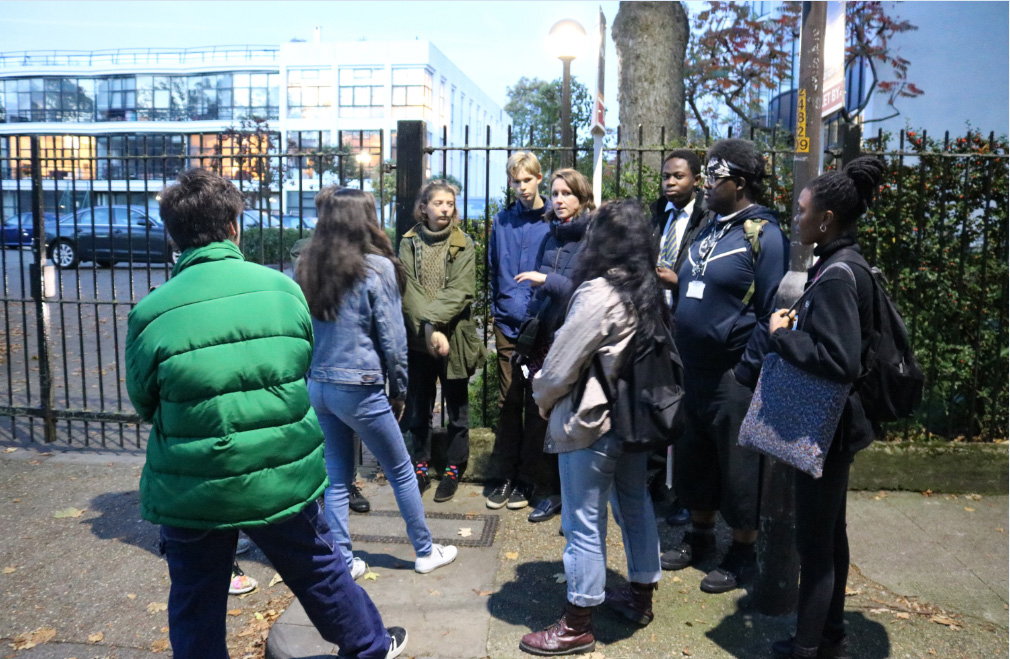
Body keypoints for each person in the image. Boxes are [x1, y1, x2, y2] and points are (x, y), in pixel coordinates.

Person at [126, 168, 407, 659]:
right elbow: (298, 363)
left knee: (195, 599)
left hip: (193, 482)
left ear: (172, 235)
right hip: (280, 469)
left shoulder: (152, 312)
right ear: (235, 225)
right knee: (318, 570)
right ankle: (367, 644)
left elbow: (145, 400)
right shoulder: (280, 289)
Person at [519, 200, 664, 656]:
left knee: (582, 521)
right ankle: (641, 596)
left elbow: (559, 368)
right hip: (637, 419)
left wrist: (543, 401)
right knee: (635, 506)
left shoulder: (598, 292)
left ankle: (577, 623)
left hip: (593, 421)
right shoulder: (651, 287)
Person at [296, 186, 457, 579]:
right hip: (360, 384)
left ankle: (343, 560)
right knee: (401, 469)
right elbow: (393, 338)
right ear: (364, 219)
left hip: (319, 383)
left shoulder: (308, 267)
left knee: (336, 477)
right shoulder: (376, 268)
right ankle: (424, 550)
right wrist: (399, 390)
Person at [767, 157, 885, 659]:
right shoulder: (844, 262)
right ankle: (829, 639)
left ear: (827, 219)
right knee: (830, 537)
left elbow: (839, 360)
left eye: (802, 211)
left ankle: (806, 647)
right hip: (839, 426)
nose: (796, 219)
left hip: (828, 427)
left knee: (815, 547)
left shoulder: (837, 274)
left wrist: (784, 337)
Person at [662, 138, 789, 594]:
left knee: (738, 468)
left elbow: (771, 311)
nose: (707, 184)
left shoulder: (765, 236)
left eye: (714, 177)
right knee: (695, 460)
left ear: (739, 183)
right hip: (692, 369)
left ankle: (742, 550)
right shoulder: (710, 227)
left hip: (732, 374)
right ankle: (697, 536)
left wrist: (744, 371)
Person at [502, 168, 595, 523]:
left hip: (574, 338)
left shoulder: (592, 237)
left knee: (570, 416)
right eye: (555, 193)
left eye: (567, 193)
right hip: (545, 335)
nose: (558, 200)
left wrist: (547, 279)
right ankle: (552, 491)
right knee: (544, 414)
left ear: (582, 198)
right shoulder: (550, 235)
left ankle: (573, 496)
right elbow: (540, 291)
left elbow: (587, 292)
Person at [399, 180, 485, 503]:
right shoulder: (408, 243)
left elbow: (460, 291)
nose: (446, 209)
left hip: (454, 340)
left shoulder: (466, 244)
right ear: (424, 207)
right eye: (439, 203)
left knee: (458, 411)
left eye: (450, 203)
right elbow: (408, 290)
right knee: (420, 408)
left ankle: (454, 468)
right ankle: (419, 465)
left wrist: (432, 325)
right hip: (420, 343)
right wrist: (428, 331)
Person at [484, 152, 551, 511]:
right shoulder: (502, 221)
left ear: (539, 178)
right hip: (508, 323)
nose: (522, 187)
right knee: (508, 401)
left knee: (536, 400)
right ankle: (505, 476)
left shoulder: (552, 219)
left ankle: (530, 479)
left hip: (542, 323)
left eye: (527, 179)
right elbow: (495, 270)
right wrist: (499, 310)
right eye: (516, 181)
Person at [649, 148, 712, 527]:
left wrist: (679, 280)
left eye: (678, 177)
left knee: (687, 412)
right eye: (666, 177)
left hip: (688, 321)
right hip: (656, 318)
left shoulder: (706, 218)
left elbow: (710, 272)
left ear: (696, 180)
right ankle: (656, 485)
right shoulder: (659, 213)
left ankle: (687, 495)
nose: (670, 183)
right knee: (657, 402)